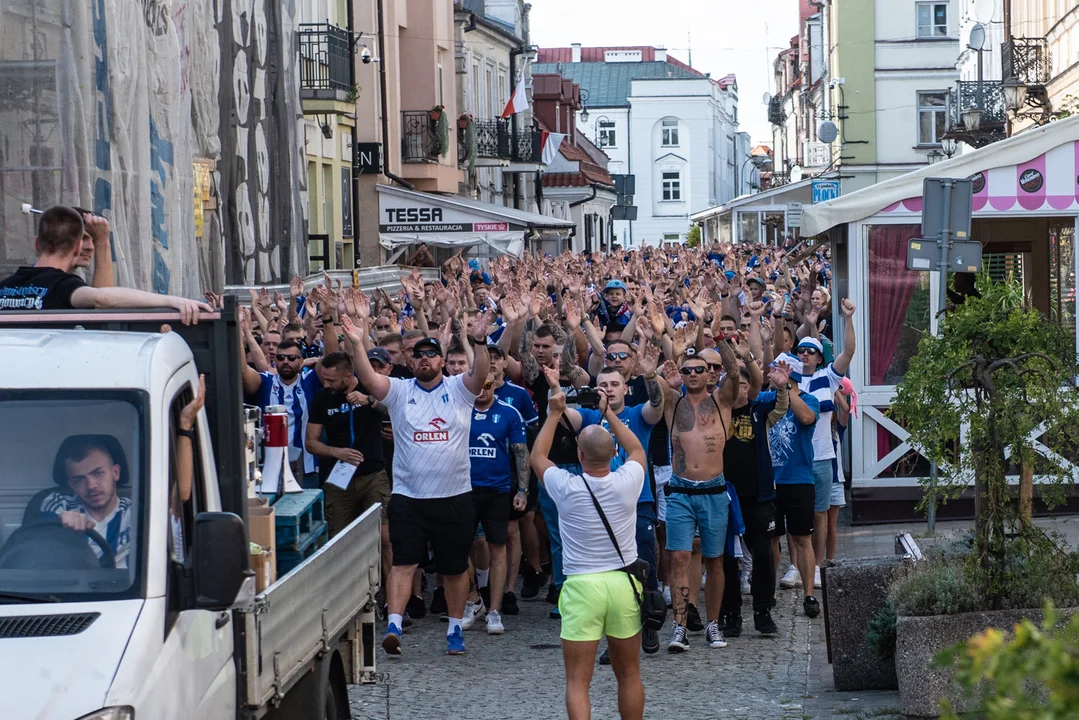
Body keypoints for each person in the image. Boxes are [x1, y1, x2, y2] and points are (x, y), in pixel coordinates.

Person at [340, 301, 490, 657]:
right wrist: (358, 343)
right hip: (409, 497)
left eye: (432, 353)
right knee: (404, 562)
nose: (425, 359)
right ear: (410, 361)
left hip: (455, 496)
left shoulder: (458, 389)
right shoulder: (399, 391)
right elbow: (368, 379)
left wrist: (479, 341)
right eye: (419, 354)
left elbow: (481, 373)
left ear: (441, 360)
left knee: (454, 570)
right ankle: (394, 625)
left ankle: (455, 629)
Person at [530, 387, 647, 720]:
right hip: (624, 583)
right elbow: (636, 448)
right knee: (629, 674)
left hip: (582, 586)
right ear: (613, 455)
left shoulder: (566, 487)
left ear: (579, 455)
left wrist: (554, 414)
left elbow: (538, 458)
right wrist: (608, 413)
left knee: (578, 681)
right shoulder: (629, 480)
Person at [0, 205, 210, 323]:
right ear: (76, 247)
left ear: (37, 243)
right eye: (85, 239)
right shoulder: (63, 287)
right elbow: (102, 298)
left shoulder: (4, 288)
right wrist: (174, 301)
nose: (91, 247)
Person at [662, 339, 740, 653]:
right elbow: (649, 378)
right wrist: (668, 349)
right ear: (681, 374)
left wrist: (722, 341)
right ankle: (679, 626)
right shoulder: (673, 401)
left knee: (715, 560)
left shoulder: (721, 400)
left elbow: (734, 373)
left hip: (714, 490)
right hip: (680, 490)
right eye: (688, 370)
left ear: (710, 374)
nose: (693, 374)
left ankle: (712, 624)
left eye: (701, 370)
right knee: (679, 558)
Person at [794, 298, 856, 590]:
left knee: (819, 515)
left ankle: (816, 565)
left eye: (811, 351)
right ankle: (796, 566)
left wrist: (848, 318)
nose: (805, 354)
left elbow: (849, 352)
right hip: (793, 459)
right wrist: (807, 324)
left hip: (821, 457)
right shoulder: (790, 378)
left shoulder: (827, 377)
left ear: (819, 357)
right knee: (793, 515)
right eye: (801, 351)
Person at [463, 371, 529, 634]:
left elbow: (520, 453)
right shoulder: (460, 408)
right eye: (479, 384)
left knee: (497, 549)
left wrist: (523, 490)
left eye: (488, 384)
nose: (482, 389)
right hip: (463, 488)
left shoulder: (510, 413)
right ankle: (473, 600)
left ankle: (494, 610)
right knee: (460, 547)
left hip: (498, 490)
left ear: (495, 384)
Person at [769, 354, 823, 618]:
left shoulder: (808, 399)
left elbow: (806, 418)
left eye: (777, 372)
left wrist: (787, 389)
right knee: (770, 539)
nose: (772, 376)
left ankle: (809, 595)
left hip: (799, 481)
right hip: (770, 482)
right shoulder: (768, 400)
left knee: (802, 538)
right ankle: (768, 593)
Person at [241, 339, 323, 485]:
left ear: (301, 361)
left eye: (291, 358)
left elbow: (330, 355)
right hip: (268, 467)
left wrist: (328, 319)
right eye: (280, 357)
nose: (285, 361)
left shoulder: (310, 381)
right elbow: (243, 371)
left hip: (306, 468)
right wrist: (240, 336)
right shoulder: (266, 382)